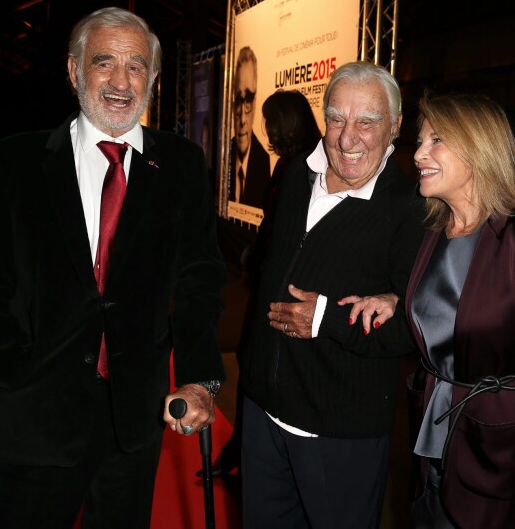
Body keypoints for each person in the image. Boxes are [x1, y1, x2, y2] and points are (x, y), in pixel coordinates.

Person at [0, 6, 226, 529]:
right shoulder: (11, 164)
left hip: (134, 426)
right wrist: (13, 370)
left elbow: (199, 280)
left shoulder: (182, 166)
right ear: (75, 71)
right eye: (105, 62)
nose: (121, 81)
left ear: (155, 78)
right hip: (32, 421)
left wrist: (197, 380)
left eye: (137, 66)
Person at [239, 61, 425, 529]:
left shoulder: (410, 209)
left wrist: (325, 319)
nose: (348, 138)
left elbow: (414, 326)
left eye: (368, 122)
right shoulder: (297, 175)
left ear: (396, 127)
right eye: (337, 118)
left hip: (340, 434)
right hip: (262, 416)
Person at [353, 92, 515, 528]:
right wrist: (397, 299)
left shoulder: (511, 239)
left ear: (479, 147)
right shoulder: (434, 230)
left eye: (436, 140)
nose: (419, 154)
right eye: (421, 140)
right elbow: (450, 306)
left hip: (498, 454)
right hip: (433, 437)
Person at [202, 89, 322, 478]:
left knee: (257, 368)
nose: (265, 129)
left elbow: (290, 235)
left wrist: (255, 260)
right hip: (269, 283)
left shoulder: (302, 166)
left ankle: (247, 453)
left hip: (280, 290)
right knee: (252, 367)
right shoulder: (291, 162)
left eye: (270, 121)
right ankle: (244, 451)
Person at [228, 46, 271, 208]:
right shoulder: (227, 154)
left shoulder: (263, 161)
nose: (242, 119)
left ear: (255, 102)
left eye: (249, 100)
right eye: (238, 100)